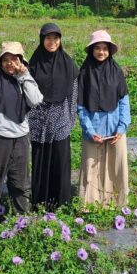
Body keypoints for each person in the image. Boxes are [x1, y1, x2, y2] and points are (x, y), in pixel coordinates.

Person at [0, 42, 43, 224]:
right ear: (0, 62)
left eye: (14, 59)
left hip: (20, 139)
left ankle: (23, 222)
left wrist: (24, 76)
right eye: (5, 59)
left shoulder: (25, 79)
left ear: (21, 61)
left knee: (20, 184)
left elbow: (36, 100)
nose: (9, 63)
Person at [77, 30, 131, 208]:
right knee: (91, 168)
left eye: (105, 48)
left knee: (116, 167)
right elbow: (81, 106)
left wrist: (122, 127)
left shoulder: (116, 72)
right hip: (93, 129)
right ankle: (90, 205)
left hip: (116, 130)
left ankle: (117, 203)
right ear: (92, 50)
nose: (101, 52)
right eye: (97, 48)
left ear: (110, 51)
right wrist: (90, 130)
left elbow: (124, 101)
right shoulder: (84, 73)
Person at [28, 23, 79, 211]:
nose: (52, 42)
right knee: (40, 161)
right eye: (48, 38)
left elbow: (73, 95)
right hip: (38, 120)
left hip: (60, 121)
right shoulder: (33, 64)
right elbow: (27, 92)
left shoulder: (68, 64)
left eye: (56, 38)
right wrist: (31, 119)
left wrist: (70, 120)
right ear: (42, 39)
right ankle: (40, 202)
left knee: (60, 161)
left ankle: (61, 203)